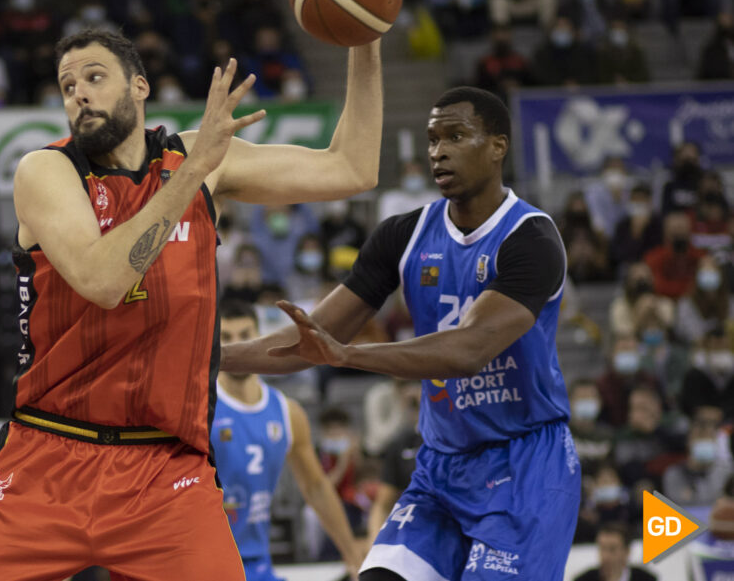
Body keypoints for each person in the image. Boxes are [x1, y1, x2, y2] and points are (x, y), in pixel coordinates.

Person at [0, 0, 408, 581]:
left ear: (140, 86)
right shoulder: (47, 171)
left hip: (164, 470)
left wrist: (366, 34)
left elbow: (352, 167)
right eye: (67, 86)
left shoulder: (200, 158)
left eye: (94, 77)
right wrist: (194, 171)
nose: (79, 94)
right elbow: (106, 280)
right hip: (46, 458)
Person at [223, 86, 582, 580]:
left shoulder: (531, 238)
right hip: (441, 467)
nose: (438, 151)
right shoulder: (403, 234)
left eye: (456, 136)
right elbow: (307, 341)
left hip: (525, 466)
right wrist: (208, 357)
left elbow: (467, 351)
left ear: (498, 146)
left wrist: (347, 356)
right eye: (433, 138)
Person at [212, 300, 363, 580]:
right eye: (227, 338)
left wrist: (352, 554)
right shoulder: (202, 408)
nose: (237, 346)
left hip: (258, 563)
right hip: (207, 562)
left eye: (245, 336)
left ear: (260, 338)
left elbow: (316, 486)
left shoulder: (286, 412)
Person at [572, 522, 657, 581]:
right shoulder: (583, 579)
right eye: (602, 548)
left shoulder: (646, 579)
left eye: (612, 549)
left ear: (626, 551)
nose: (605, 556)